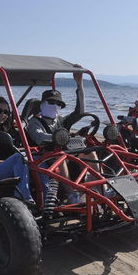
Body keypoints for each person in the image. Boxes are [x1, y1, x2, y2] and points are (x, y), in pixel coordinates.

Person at [27, 71, 107, 204]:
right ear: (42, 104)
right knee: (59, 156)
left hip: (65, 156)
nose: (55, 106)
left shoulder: (60, 121)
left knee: (90, 152)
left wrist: (79, 85)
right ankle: (71, 196)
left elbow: (79, 113)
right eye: (51, 102)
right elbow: (39, 137)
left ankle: (103, 190)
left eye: (58, 104)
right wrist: (60, 138)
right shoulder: (33, 122)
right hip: (44, 159)